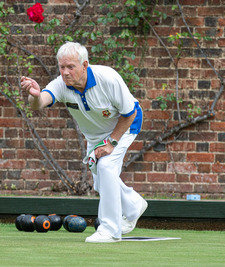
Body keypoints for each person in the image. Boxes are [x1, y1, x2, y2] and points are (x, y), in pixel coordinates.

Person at [20, 42, 147, 243]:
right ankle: (133, 205)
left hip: (125, 125)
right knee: (100, 181)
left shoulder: (108, 78)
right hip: (95, 135)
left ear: (85, 65)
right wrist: (34, 95)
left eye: (71, 67)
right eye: (62, 67)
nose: (66, 72)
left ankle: (110, 231)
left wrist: (111, 143)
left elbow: (129, 113)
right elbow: (40, 103)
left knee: (106, 167)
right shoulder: (61, 85)